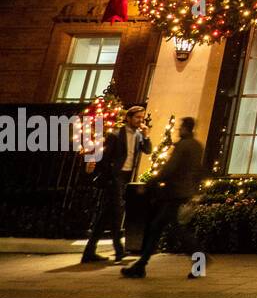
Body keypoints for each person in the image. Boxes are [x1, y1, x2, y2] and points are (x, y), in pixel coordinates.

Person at [122, 117, 203, 279]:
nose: (179, 130)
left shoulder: (183, 145)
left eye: (181, 127)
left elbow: (169, 168)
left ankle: (200, 259)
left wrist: (151, 182)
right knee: (161, 228)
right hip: (185, 192)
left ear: (186, 128)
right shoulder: (196, 146)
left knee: (167, 228)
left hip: (175, 193)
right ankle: (141, 265)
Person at [81, 105, 151, 264]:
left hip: (126, 177)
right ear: (129, 118)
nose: (140, 120)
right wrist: (102, 172)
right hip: (115, 177)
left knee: (106, 215)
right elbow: (105, 156)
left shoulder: (139, 135)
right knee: (118, 211)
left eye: (142, 117)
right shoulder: (116, 134)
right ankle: (119, 250)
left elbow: (148, 150)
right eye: (137, 117)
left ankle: (89, 252)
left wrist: (146, 136)